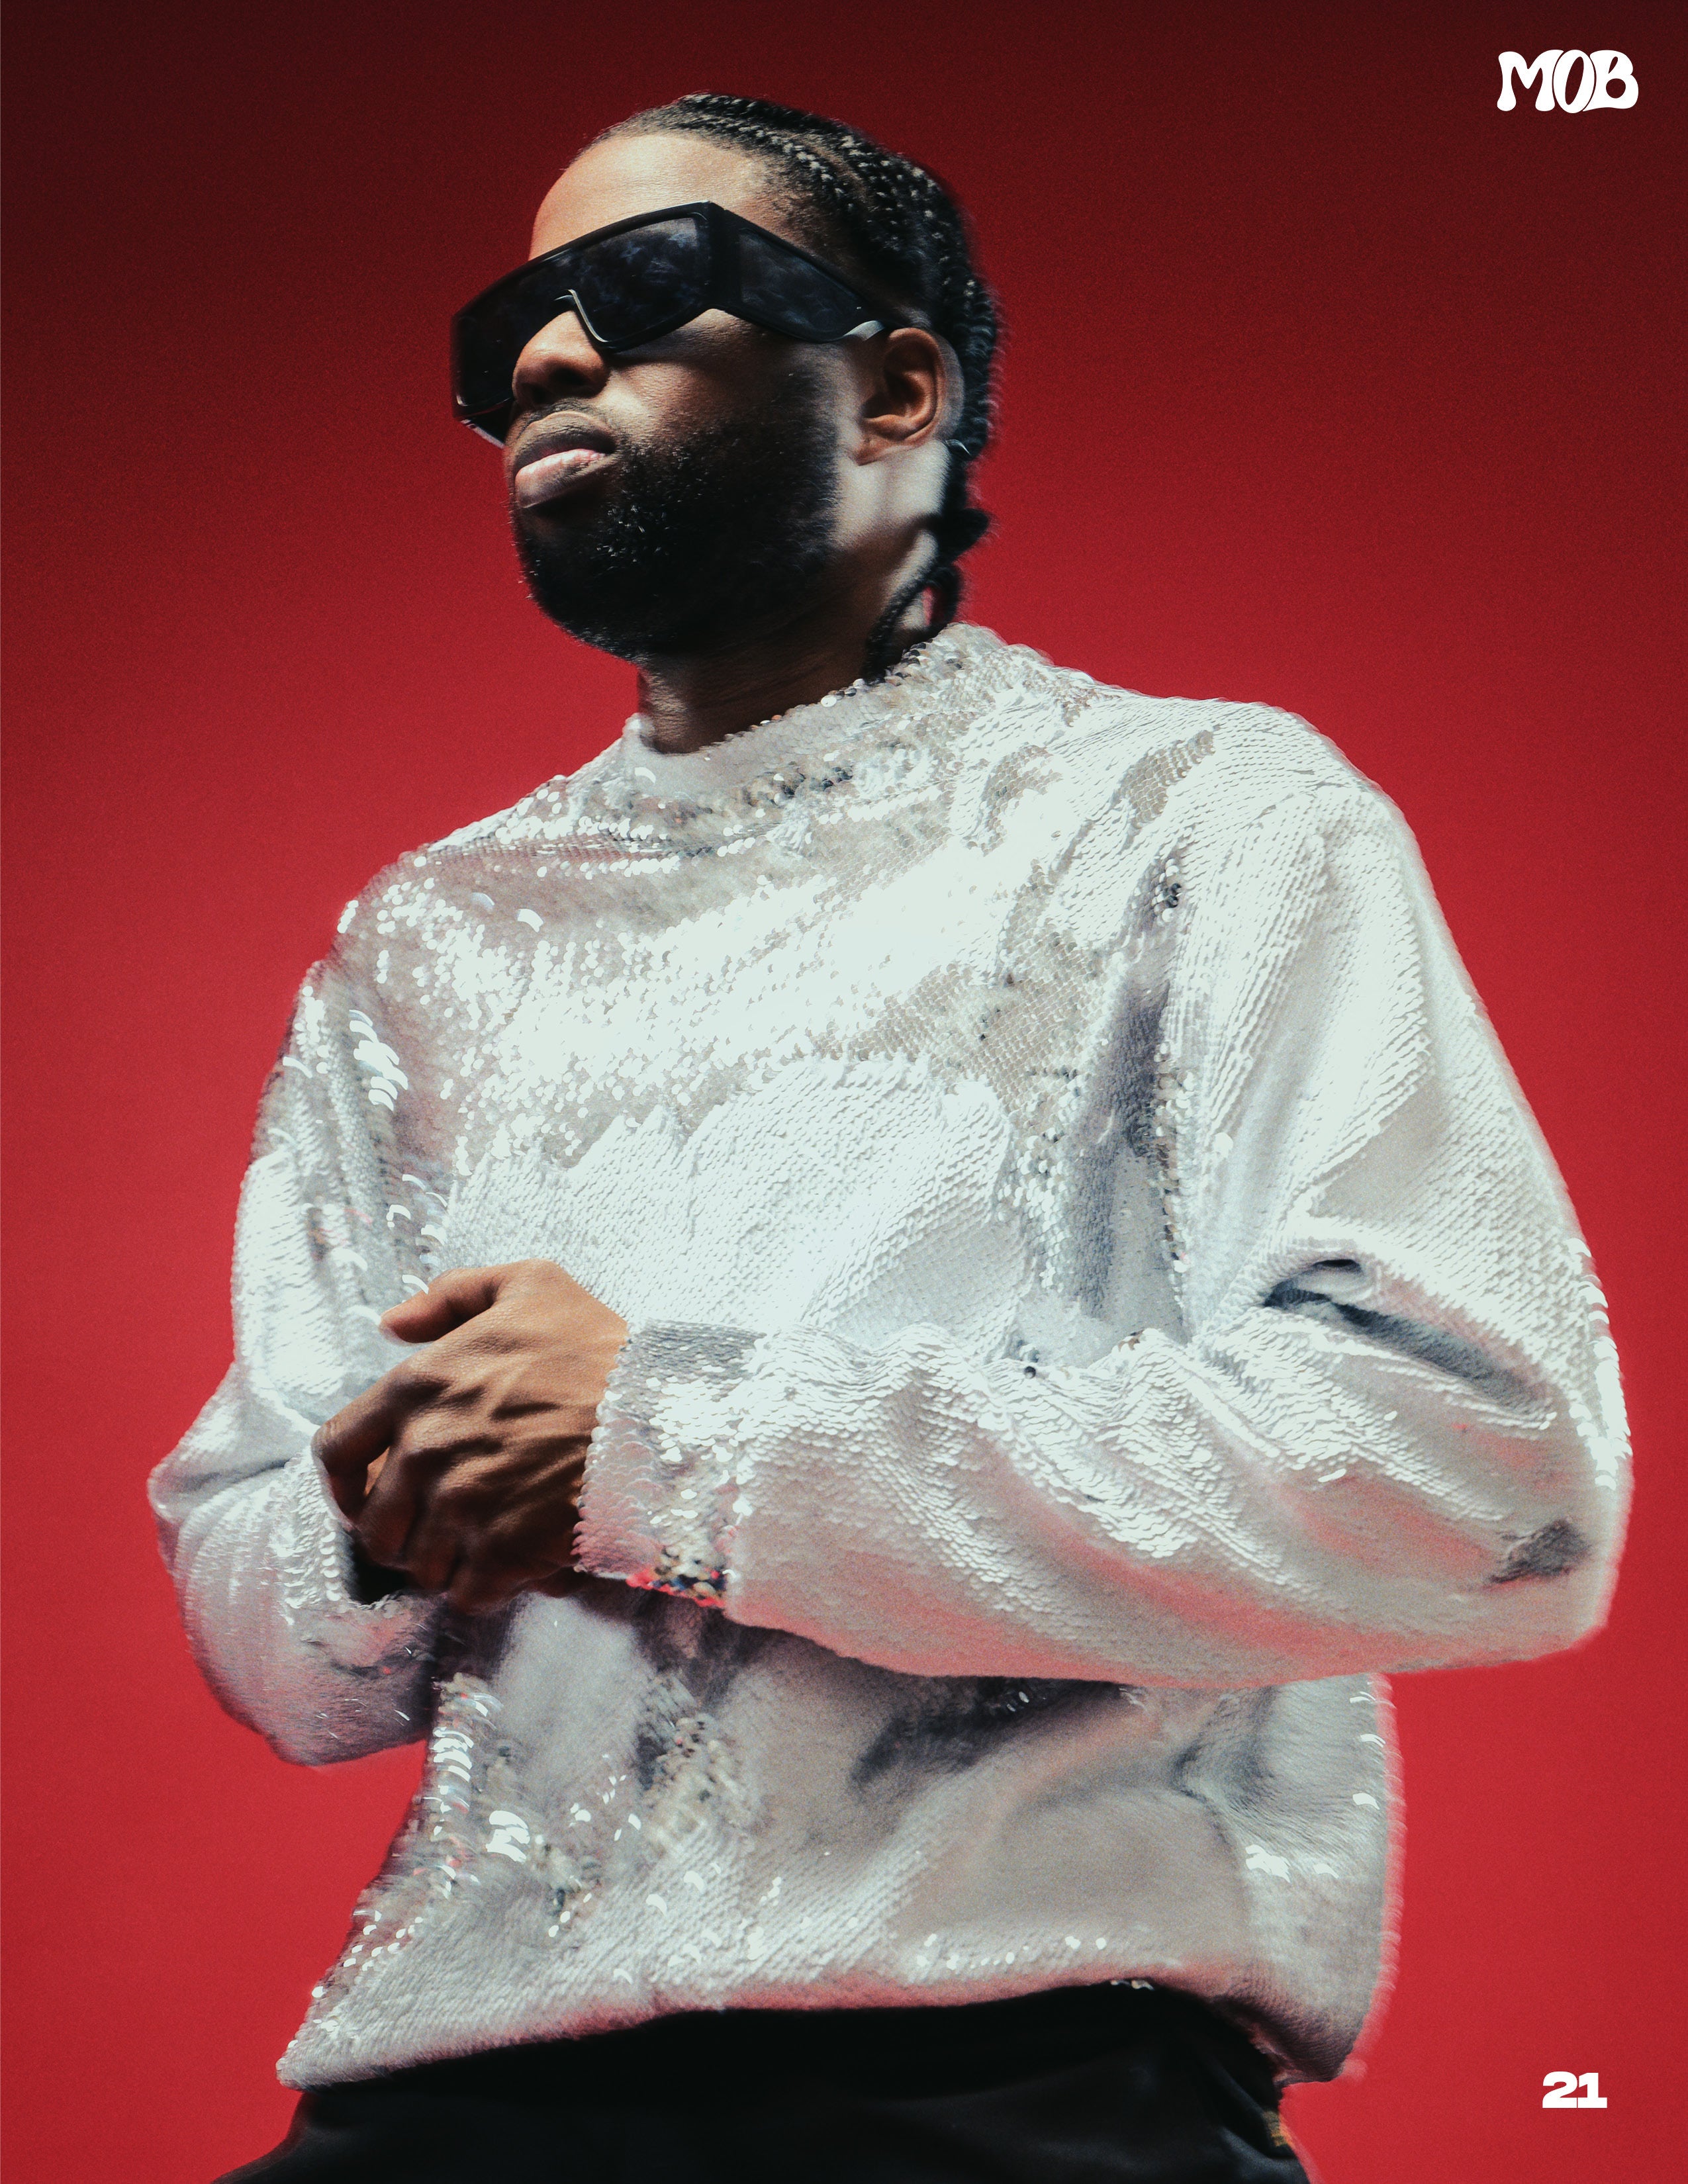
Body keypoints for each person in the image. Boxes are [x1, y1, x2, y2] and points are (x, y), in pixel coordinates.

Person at [150, 94, 1629, 2183]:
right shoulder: (424, 938)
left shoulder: (1204, 818)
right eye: (509, 336)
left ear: (897, 390)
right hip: (440, 2097)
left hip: (1017, 2095)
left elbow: (1482, 1474)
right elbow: (276, 1641)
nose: (552, 357)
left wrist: (658, 1435)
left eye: (643, 286)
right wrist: (384, 1525)